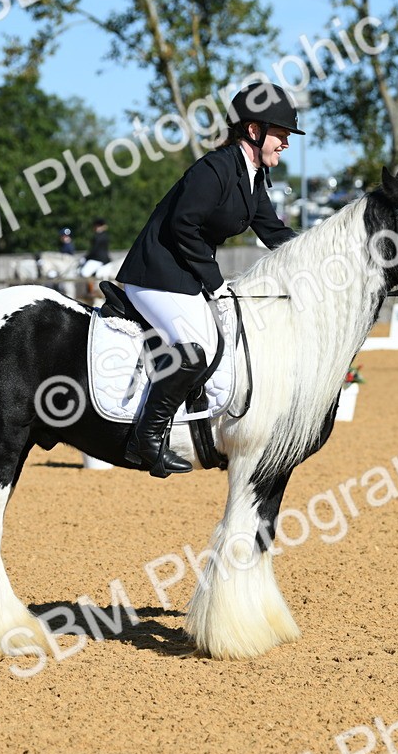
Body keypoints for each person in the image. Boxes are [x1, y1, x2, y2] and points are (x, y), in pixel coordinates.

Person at [116, 81, 302, 477]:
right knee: (197, 344)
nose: (285, 144)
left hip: (182, 277)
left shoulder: (251, 178)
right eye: (281, 135)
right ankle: (145, 439)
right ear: (254, 131)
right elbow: (184, 226)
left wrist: (321, 255)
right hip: (155, 275)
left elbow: (275, 234)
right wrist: (215, 282)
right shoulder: (214, 169)